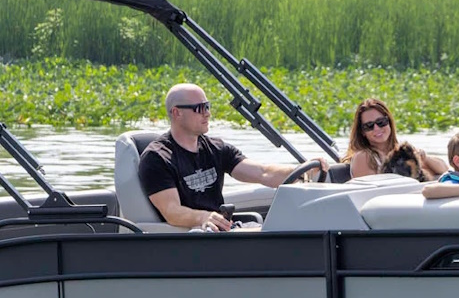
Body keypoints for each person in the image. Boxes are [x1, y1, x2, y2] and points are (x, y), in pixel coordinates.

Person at [138, 83, 324, 230]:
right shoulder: (157, 158)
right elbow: (172, 212)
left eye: (207, 106)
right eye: (199, 108)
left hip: (222, 231)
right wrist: (204, 217)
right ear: (176, 112)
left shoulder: (216, 148)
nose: (208, 113)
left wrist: (302, 171)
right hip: (195, 236)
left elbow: (263, 172)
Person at [344, 98, 448, 181]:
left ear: (389, 121)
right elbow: (370, 190)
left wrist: (423, 158)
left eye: (381, 122)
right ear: (362, 131)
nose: (376, 128)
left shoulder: (402, 151)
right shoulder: (364, 157)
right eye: (369, 126)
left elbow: (444, 170)